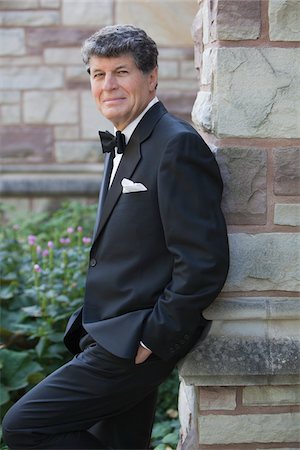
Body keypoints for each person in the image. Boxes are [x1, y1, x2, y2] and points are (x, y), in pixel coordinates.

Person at [3, 24, 229, 449]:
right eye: (98, 74)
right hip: (107, 329)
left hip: (136, 340)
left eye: (121, 72)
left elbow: (203, 262)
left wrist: (152, 337)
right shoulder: (126, 139)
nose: (108, 85)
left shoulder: (175, 145)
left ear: (151, 76)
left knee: (23, 425)